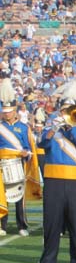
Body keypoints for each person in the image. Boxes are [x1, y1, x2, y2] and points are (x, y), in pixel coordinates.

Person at [31, 80, 76, 263]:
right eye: (65, 111)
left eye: (71, 111)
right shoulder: (52, 129)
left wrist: (72, 128)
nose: (67, 114)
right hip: (54, 181)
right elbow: (42, 142)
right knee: (51, 224)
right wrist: (54, 126)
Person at [0, 79, 33, 237]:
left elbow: (28, 147)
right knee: (2, 195)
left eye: (8, 111)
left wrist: (25, 153)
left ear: (14, 111)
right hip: (2, 164)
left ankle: (22, 225)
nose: (6, 113)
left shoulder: (24, 127)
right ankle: (2, 225)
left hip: (18, 164)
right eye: (4, 111)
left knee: (20, 197)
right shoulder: (1, 126)